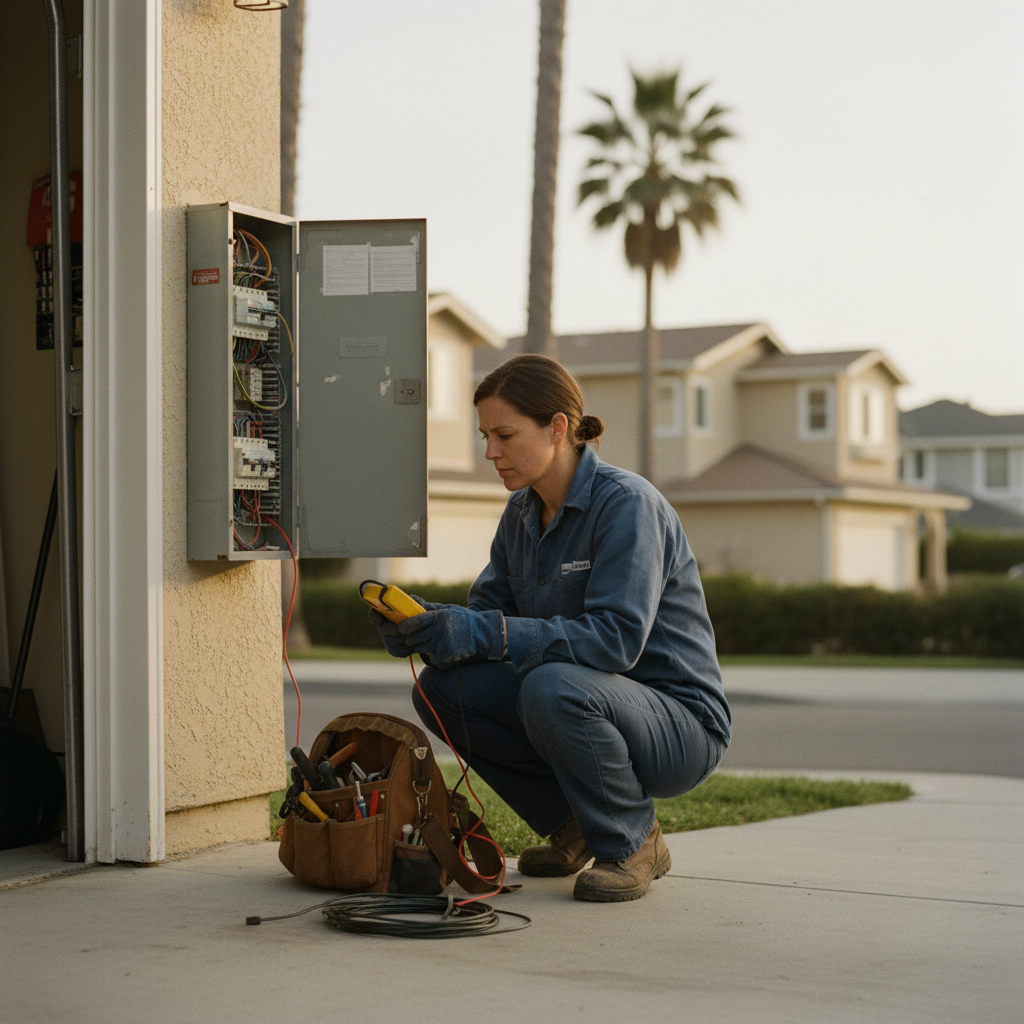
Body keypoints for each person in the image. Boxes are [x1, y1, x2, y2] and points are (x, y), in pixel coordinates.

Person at [370, 354, 730, 903]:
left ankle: (634, 841)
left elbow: (615, 640)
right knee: (443, 690)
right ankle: (575, 823)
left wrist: (487, 632)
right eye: (485, 435)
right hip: (586, 700)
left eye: (505, 434)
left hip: (680, 724)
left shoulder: (627, 505)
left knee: (552, 685)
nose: (490, 451)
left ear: (558, 427)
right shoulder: (520, 515)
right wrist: (430, 627)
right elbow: (487, 623)